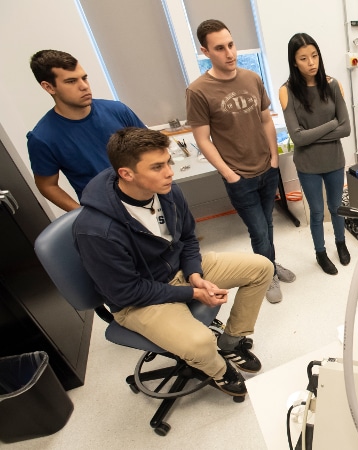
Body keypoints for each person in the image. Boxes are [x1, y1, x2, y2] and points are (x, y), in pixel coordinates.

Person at [74, 127, 273, 397]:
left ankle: (231, 341)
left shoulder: (167, 190)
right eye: (157, 167)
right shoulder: (97, 231)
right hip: (137, 301)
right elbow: (126, 291)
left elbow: (188, 237)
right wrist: (192, 292)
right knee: (201, 343)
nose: (170, 172)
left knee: (262, 268)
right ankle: (219, 371)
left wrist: (193, 274)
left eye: (168, 162)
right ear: (126, 174)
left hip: (178, 270)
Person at [186, 19, 295, 303]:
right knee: (258, 230)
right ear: (205, 51)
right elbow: (202, 139)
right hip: (239, 177)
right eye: (219, 48)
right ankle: (265, 275)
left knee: (268, 225)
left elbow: (266, 120)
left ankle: (268, 264)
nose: (229, 53)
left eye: (231, 45)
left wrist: (274, 157)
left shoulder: (251, 78)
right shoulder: (198, 91)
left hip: (267, 168)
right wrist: (229, 173)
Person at [27, 49, 146, 212]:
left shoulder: (118, 110)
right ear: (49, 87)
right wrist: (83, 214)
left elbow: (152, 150)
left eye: (84, 78)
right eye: (71, 81)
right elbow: (47, 185)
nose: (84, 86)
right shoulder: (43, 138)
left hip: (149, 198)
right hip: (107, 213)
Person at [279, 33, 352, 275]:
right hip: (308, 165)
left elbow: (347, 128)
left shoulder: (333, 85)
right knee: (317, 211)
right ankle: (320, 253)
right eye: (303, 58)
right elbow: (297, 138)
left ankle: (340, 243)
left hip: (334, 160)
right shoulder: (287, 91)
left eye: (314, 55)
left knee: (336, 207)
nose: (311, 62)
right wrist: (331, 124)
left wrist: (314, 133)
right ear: (294, 62)